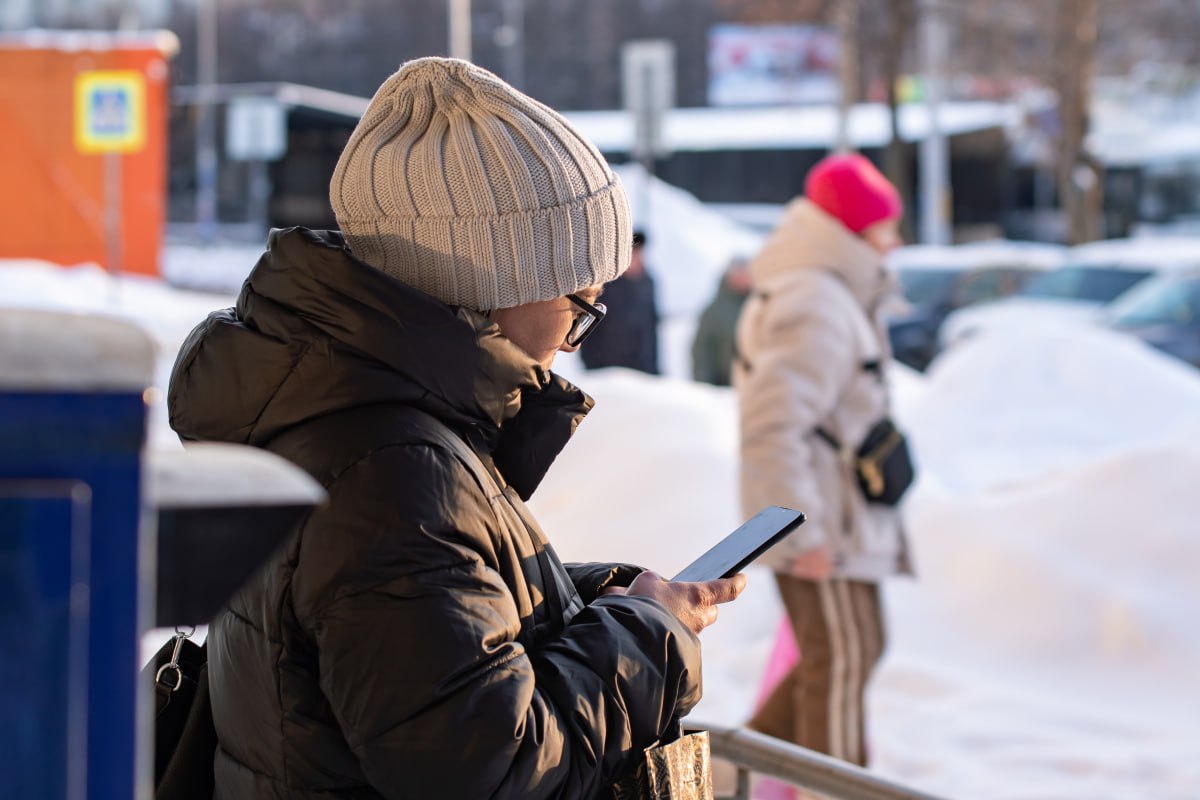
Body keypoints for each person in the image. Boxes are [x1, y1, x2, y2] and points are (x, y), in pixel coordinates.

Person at [167, 58, 745, 799]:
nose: (577, 338)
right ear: (488, 285)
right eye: (579, 304)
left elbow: (399, 630)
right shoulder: (393, 472)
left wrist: (598, 603)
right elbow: (487, 766)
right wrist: (647, 640)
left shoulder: (341, 409)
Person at [733, 153, 912, 767]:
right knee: (838, 660)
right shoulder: (814, 299)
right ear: (854, 232)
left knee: (851, 651)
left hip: (839, 516)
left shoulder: (829, 291)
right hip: (821, 522)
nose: (895, 242)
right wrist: (799, 528)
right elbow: (772, 428)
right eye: (886, 227)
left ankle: (731, 774)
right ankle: (827, 787)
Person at [578, 230, 660, 374]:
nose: (636, 257)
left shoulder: (648, 283)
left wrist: (653, 368)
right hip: (608, 371)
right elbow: (590, 328)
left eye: (639, 252)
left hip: (642, 369)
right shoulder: (605, 287)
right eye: (632, 253)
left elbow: (651, 328)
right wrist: (593, 366)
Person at [691, 256, 752, 386]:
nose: (744, 278)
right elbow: (702, 352)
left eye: (747, 274)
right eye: (740, 273)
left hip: (753, 387)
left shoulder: (757, 307)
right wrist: (705, 386)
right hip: (723, 388)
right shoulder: (714, 311)